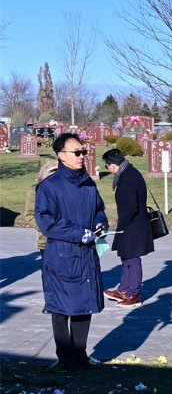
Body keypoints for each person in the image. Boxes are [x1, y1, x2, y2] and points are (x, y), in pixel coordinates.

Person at [35, 133, 108, 372]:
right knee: (60, 307)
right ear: (61, 156)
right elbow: (47, 221)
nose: (82, 156)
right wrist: (79, 233)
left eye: (83, 152)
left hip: (86, 254)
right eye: (76, 152)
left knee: (84, 305)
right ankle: (66, 357)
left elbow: (99, 209)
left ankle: (81, 354)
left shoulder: (88, 183)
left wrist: (100, 225)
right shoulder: (49, 186)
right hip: (61, 255)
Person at [101, 149, 154, 309]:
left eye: (106, 165)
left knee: (133, 258)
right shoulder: (129, 172)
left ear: (111, 165)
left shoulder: (129, 177)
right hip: (131, 224)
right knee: (126, 257)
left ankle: (134, 294)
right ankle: (124, 289)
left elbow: (131, 206)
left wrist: (122, 223)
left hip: (133, 225)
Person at [24, 157, 58, 314]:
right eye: (52, 170)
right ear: (42, 173)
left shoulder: (65, 187)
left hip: (66, 237)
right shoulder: (35, 190)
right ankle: (50, 302)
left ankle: (65, 301)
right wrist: (45, 227)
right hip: (46, 239)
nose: (55, 174)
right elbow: (29, 214)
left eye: (58, 170)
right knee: (49, 272)